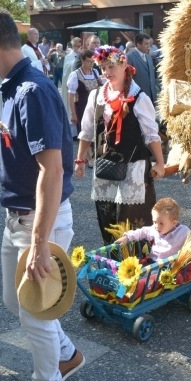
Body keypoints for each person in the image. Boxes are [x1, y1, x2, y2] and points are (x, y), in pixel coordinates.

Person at [0, 8, 84, 381]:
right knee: (14, 301)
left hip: (39, 222)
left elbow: (52, 172)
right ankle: (67, 354)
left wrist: (39, 242)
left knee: (33, 315)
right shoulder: (13, 85)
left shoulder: (31, 90)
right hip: (19, 217)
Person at [75, 45, 166, 245]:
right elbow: (87, 130)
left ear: (124, 65)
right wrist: (80, 159)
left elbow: (152, 134)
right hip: (105, 167)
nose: (107, 73)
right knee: (107, 216)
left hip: (133, 167)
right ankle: (113, 261)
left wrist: (160, 163)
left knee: (131, 219)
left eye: (111, 67)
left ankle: (136, 265)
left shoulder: (139, 97)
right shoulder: (96, 96)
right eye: (103, 68)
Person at [115, 198, 189, 262]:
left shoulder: (183, 232)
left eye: (161, 223)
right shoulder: (154, 229)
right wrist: (127, 237)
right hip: (152, 263)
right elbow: (142, 232)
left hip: (168, 267)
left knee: (146, 277)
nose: (156, 226)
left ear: (174, 223)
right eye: (154, 222)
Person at [67, 50, 101, 144]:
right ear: (82, 61)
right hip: (81, 107)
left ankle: (92, 155)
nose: (91, 64)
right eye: (88, 61)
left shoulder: (95, 72)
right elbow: (71, 95)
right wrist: (73, 113)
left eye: (92, 61)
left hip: (95, 107)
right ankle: (86, 156)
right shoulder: (75, 74)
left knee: (95, 131)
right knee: (84, 132)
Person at [126, 33, 159, 105]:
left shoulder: (149, 57)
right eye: (146, 44)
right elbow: (127, 79)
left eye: (149, 44)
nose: (149, 47)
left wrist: (154, 95)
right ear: (138, 45)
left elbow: (151, 78)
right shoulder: (129, 57)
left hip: (151, 98)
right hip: (138, 99)